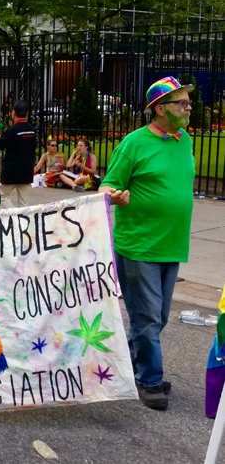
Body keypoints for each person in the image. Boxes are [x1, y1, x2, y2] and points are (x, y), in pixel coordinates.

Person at [100, 76, 195, 411]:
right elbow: (106, 186)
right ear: (159, 109)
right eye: (181, 103)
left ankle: (131, 364)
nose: (188, 108)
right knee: (148, 318)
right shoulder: (133, 144)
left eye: (187, 102)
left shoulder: (185, 141)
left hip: (172, 245)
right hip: (139, 246)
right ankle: (150, 381)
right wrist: (114, 195)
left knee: (159, 317)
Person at [0, 100, 37, 206]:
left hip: (11, 173)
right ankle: (22, 220)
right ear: (27, 114)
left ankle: (12, 215)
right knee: (24, 203)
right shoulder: (32, 131)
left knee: (0, 196)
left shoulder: (12, 131)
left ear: (13, 113)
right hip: (26, 172)